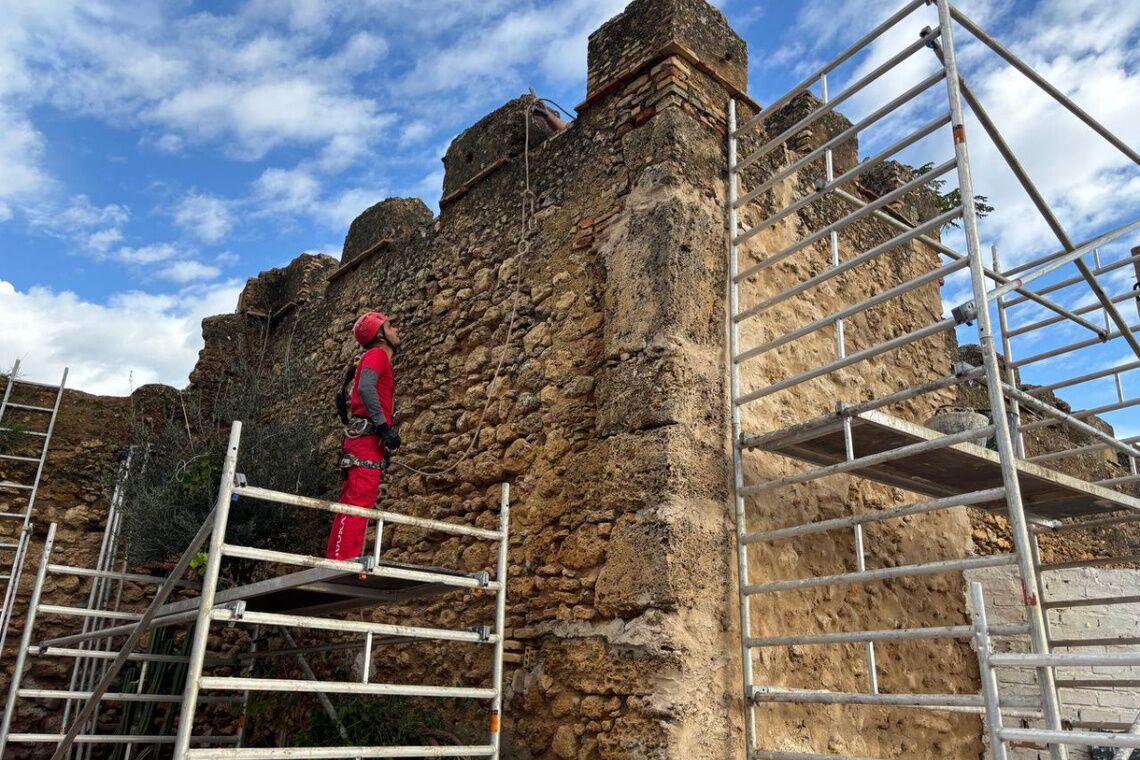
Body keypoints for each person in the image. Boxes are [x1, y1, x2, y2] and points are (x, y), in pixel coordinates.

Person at [326, 311, 401, 560]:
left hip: (364, 438)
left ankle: (337, 559)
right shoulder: (377, 355)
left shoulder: (372, 357)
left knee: (353, 499)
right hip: (367, 438)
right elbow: (366, 388)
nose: (396, 330)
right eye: (390, 326)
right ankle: (342, 561)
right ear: (380, 335)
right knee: (359, 498)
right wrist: (383, 427)